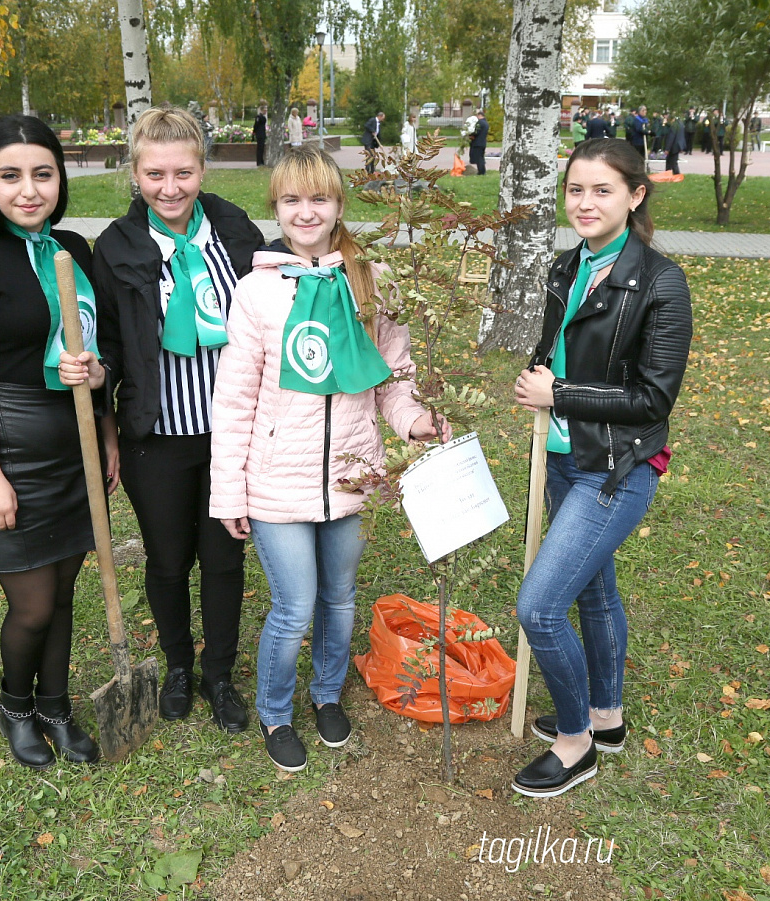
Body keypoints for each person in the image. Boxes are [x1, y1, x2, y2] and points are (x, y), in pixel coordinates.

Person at [209, 146, 450, 772]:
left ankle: (326, 695)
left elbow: (392, 376)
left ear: (340, 204)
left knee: (339, 600)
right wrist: (229, 495)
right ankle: (277, 710)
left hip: (351, 475)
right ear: (277, 209)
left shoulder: (368, 282)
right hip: (274, 483)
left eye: (319, 198)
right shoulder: (256, 292)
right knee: (295, 606)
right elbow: (233, 401)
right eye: (292, 200)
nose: (306, 211)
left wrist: (415, 419)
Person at [512, 138, 692, 798]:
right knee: (593, 590)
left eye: (602, 190)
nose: (584, 203)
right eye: (575, 190)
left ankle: (575, 740)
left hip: (617, 469)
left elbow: (653, 397)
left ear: (635, 195)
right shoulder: (568, 265)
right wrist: (538, 373)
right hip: (562, 457)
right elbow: (557, 346)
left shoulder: (661, 282)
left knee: (538, 606)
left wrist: (558, 394)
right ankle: (606, 716)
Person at [0, 115, 110, 769]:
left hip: (75, 452)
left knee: (64, 593)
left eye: (43, 173)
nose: (28, 189)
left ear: (60, 178)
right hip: (12, 457)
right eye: (11, 175)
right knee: (32, 605)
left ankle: (56, 706)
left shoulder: (75, 251)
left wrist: (100, 390)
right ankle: (15, 704)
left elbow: (100, 349)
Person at [91, 106, 263, 733]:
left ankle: (218, 672)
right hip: (156, 434)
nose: (171, 188)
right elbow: (108, 339)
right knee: (168, 558)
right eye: (155, 174)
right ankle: (178, 668)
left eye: (183, 173)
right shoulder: (114, 248)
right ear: (135, 173)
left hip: (229, 432)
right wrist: (102, 395)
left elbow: (273, 306)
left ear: (201, 168)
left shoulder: (233, 228)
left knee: (223, 558)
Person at [469, 109, 489, 175]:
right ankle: (482, 171)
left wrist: (471, 135)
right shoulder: (486, 123)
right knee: (481, 157)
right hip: (483, 142)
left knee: (479, 158)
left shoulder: (480, 123)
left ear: (479, 115)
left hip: (477, 143)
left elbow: (476, 132)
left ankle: (481, 172)